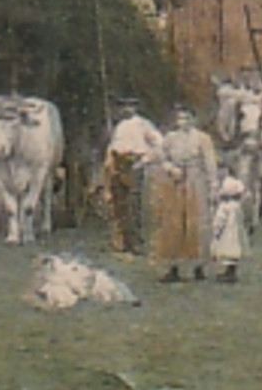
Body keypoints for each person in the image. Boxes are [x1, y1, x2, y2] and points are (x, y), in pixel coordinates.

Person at [151, 105, 218, 283]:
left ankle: (198, 266)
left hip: (196, 180)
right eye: (180, 118)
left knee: (196, 222)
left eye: (187, 118)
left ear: (194, 120)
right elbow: (161, 156)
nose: (183, 122)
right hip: (176, 181)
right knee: (173, 222)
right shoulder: (171, 138)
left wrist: (213, 186)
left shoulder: (203, 138)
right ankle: (173, 266)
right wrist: (171, 168)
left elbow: (210, 164)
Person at [105, 97, 161, 254]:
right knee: (119, 204)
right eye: (123, 106)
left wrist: (144, 160)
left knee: (133, 204)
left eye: (130, 106)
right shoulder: (119, 126)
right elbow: (113, 146)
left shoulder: (144, 124)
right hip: (118, 165)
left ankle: (136, 242)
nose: (126, 109)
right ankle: (122, 241)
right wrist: (110, 163)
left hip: (133, 164)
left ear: (136, 107)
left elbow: (158, 144)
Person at [211, 174, 249, 283]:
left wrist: (216, 230)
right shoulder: (238, 207)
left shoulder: (224, 207)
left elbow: (219, 220)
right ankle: (232, 272)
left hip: (226, 236)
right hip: (237, 235)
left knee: (227, 253)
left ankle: (227, 273)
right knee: (234, 254)